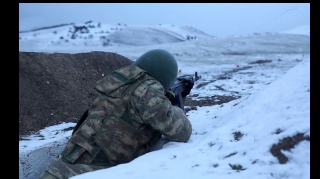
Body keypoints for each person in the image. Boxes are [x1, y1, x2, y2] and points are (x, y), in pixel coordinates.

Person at [39, 49, 194, 179]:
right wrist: (175, 105)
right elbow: (182, 132)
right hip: (83, 174)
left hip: (57, 168)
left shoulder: (117, 81)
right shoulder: (148, 91)